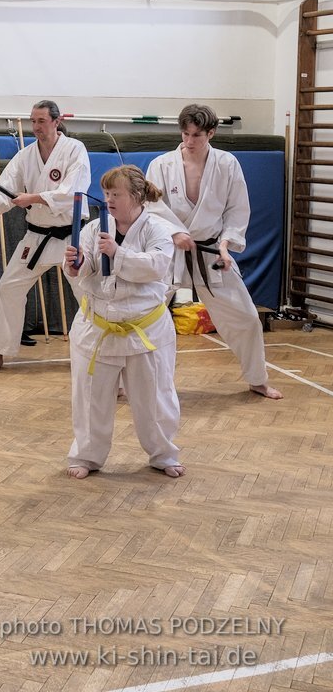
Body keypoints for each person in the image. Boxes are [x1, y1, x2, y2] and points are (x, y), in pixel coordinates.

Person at [144, 104, 283, 399]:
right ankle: (124, 382)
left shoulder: (227, 163)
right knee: (142, 314)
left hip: (211, 252)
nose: (189, 141)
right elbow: (152, 207)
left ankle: (257, 379)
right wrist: (175, 232)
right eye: (185, 133)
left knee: (246, 318)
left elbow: (237, 208)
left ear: (211, 133)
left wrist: (225, 244)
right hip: (170, 250)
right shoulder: (161, 164)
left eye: (197, 135)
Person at [63, 165, 184, 479]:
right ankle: (86, 455)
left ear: (136, 196)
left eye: (116, 194)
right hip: (97, 327)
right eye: (106, 194)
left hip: (146, 328)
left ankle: (163, 453)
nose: (109, 199)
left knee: (154, 396)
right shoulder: (93, 228)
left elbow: (156, 266)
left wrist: (118, 252)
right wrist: (75, 265)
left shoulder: (157, 229)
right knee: (90, 397)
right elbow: (86, 266)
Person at [0, 100, 91, 370]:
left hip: (72, 236)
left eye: (41, 121)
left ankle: (98, 353)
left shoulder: (74, 150)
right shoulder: (25, 156)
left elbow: (75, 191)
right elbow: (5, 189)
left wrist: (34, 197)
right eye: (33, 121)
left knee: (88, 293)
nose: (36, 127)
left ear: (56, 122)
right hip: (36, 237)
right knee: (8, 288)